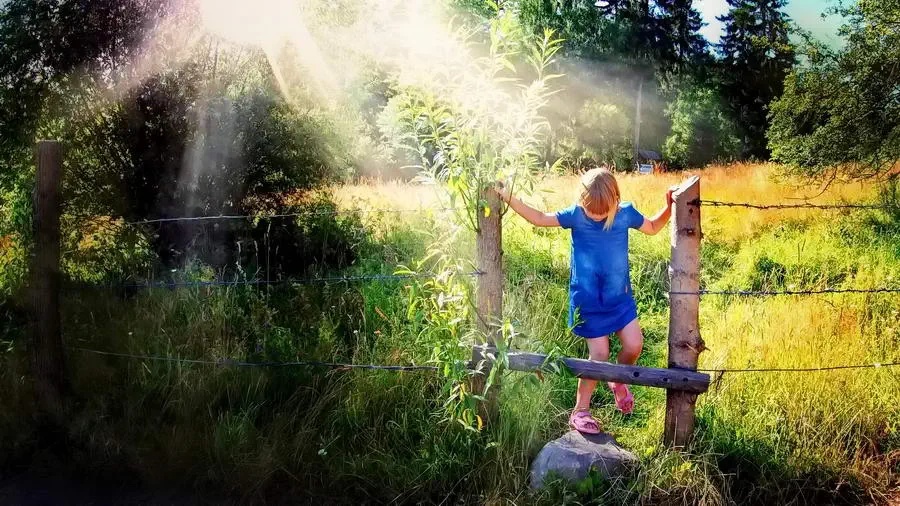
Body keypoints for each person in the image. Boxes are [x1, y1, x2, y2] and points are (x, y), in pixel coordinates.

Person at [495, 167, 675, 434]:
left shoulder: (625, 213)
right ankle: (580, 410)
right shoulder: (576, 216)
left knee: (635, 345)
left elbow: (652, 227)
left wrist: (669, 206)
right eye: (593, 212)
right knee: (599, 354)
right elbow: (539, 218)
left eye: (604, 212)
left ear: (616, 199)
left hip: (619, 300)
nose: (598, 216)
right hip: (589, 303)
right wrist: (507, 196)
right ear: (582, 202)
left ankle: (616, 379)